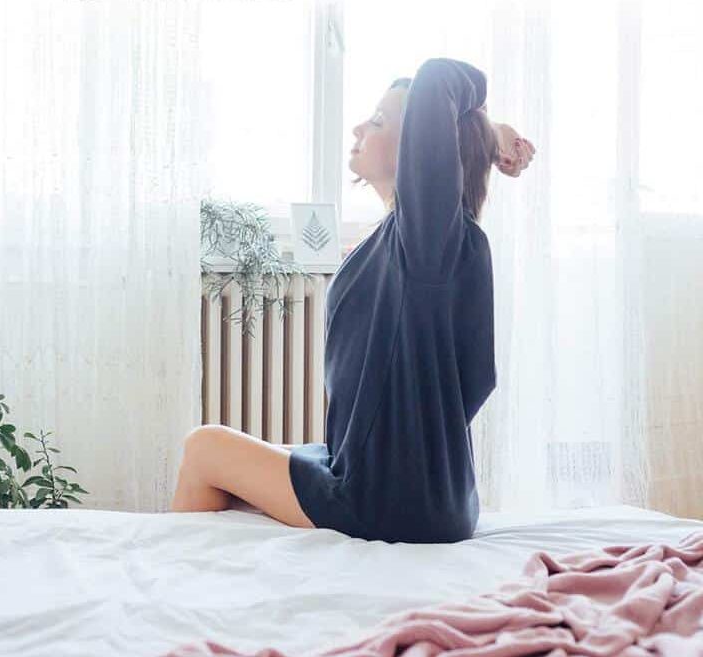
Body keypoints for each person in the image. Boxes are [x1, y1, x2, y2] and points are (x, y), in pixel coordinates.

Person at [170, 58, 535, 543]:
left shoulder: (428, 241)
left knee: (205, 448)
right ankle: (207, 584)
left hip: (393, 499)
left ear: (423, 150)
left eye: (381, 121)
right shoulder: (409, 242)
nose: (361, 127)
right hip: (402, 484)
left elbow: (438, 77)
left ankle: (167, 593)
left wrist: (491, 133)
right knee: (229, 474)